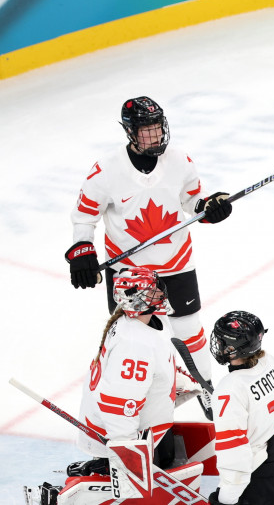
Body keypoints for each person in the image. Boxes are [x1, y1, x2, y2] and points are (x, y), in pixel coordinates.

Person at [65, 96, 233, 419]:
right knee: (130, 340)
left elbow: (193, 202)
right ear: (130, 132)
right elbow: (85, 216)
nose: (155, 135)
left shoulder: (180, 160)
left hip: (177, 262)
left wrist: (211, 207)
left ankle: (207, 389)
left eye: (158, 127)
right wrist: (82, 251)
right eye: (147, 130)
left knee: (189, 330)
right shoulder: (106, 170)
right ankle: (131, 404)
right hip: (128, 272)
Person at [68, 267, 178, 477]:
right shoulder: (134, 345)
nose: (161, 292)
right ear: (139, 301)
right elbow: (118, 405)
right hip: (116, 435)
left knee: (168, 457)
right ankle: (102, 468)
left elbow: (160, 362)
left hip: (143, 428)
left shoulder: (151, 322)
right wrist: (126, 455)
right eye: (152, 291)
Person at [208, 311, 274, 505]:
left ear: (234, 347)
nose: (218, 345)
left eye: (221, 341)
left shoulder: (230, 389)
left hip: (256, 485)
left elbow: (234, 453)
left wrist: (226, 499)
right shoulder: (273, 363)